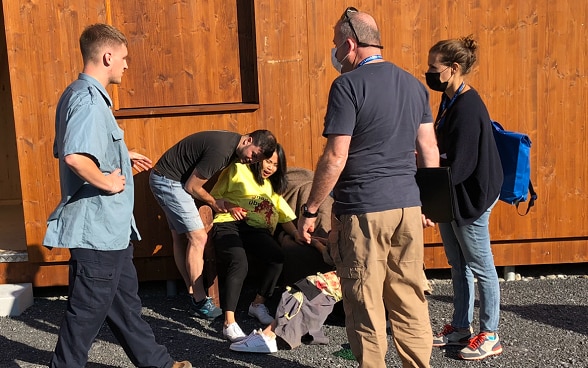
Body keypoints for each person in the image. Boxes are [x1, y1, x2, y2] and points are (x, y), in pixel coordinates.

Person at [297, 7, 440, 368]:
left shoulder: (347, 85)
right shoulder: (413, 85)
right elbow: (429, 150)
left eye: (335, 44)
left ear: (350, 43)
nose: (334, 53)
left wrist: (311, 209)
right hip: (407, 207)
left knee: (364, 303)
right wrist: (428, 205)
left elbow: (335, 155)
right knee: (409, 299)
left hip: (364, 209)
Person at [43, 24, 191, 368]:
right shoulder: (89, 100)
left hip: (113, 235)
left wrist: (122, 155)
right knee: (82, 323)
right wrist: (108, 183)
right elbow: (74, 156)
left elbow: (79, 147)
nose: (126, 65)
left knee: (126, 310)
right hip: (98, 235)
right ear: (107, 56)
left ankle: (160, 365)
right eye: (123, 58)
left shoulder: (76, 93)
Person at [425, 35, 503, 360]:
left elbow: (461, 166)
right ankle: (460, 327)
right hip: (451, 195)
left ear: (453, 68)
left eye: (434, 67)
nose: (428, 72)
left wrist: (426, 197)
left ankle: (490, 334)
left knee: (481, 266)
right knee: (458, 264)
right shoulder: (450, 98)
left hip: (470, 197)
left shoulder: (468, 108)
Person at [149, 129, 276, 320]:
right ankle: (200, 301)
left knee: (179, 236)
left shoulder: (234, 147)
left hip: (169, 178)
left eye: (257, 160)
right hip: (169, 181)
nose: (252, 160)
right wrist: (214, 203)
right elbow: (192, 187)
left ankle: (193, 294)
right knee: (198, 237)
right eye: (254, 155)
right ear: (248, 141)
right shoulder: (222, 150)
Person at [209, 144, 305, 342]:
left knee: (277, 257)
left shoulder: (271, 187)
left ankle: (257, 304)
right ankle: (229, 322)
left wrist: (297, 233)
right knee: (239, 262)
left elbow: (284, 216)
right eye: (268, 161)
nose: (270, 168)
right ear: (258, 157)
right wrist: (230, 206)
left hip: (255, 229)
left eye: (276, 165)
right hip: (229, 224)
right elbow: (214, 198)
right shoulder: (237, 169)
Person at [229, 236, 341, 354]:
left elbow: (336, 258)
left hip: (353, 278)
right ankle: (273, 332)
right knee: (300, 289)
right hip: (350, 272)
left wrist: (318, 244)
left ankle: (269, 336)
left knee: (305, 290)